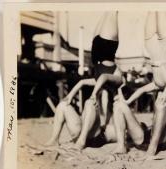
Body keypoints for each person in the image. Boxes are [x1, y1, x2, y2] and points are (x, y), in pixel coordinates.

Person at [119, 11, 166, 156]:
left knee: (157, 13)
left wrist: (129, 100)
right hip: (163, 63)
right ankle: (148, 148)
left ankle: (145, 149)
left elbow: (145, 90)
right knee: (155, 18)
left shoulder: (165, 85)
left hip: (161, 64)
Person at [44, 11, 122, 149]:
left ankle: (81, 142)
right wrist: (69, 96)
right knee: (63, 105)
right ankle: (53, 140)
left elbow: (103, 78)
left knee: (89, 103)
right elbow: (83, 82)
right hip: (82, 128)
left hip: (97, 134)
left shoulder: (118, 77)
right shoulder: (102, 74)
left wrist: (93, 95)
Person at [112, 88, 166, 155]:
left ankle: (152, 149)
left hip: (159, 143)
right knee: (119, 105)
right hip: (143, 139)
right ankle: (121, 146)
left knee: (161, 105)